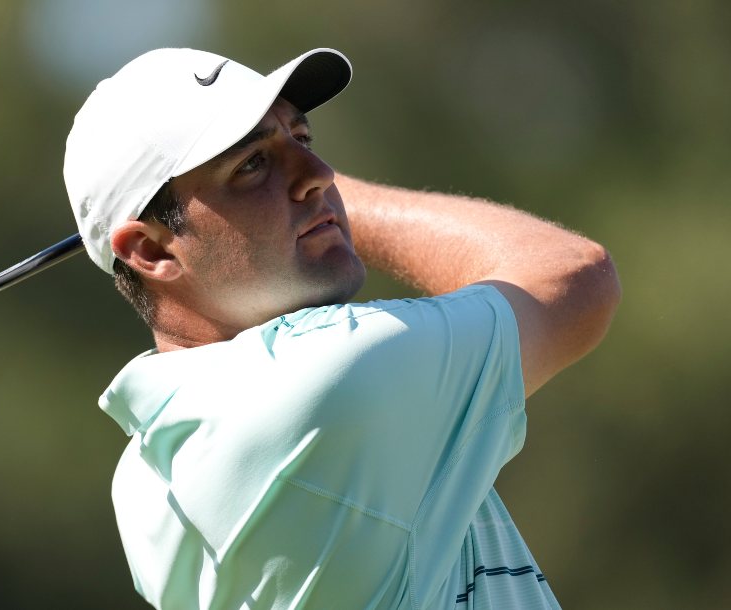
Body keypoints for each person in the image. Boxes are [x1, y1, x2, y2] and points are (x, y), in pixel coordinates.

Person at [63, 47, 620, 609]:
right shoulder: (326, 379)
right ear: (150, 249)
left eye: (301, 140)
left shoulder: (142, 474)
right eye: (252, 164)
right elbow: (573, 277)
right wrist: (341, 200)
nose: (321, 174)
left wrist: (296, 194)